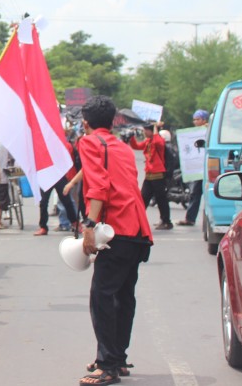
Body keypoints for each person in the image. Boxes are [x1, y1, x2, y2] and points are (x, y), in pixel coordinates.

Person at [78, 95, 153, 386]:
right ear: (112, 121)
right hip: (138, 230)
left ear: (85, 122)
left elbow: (99, 186)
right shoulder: (121, 147)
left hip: (117, 228)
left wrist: (89, 224)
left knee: (102, 296)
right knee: (124, 295)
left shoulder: (89, 142)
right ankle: (117, 358)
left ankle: (107, 365)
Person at [130, 124, 172, 230]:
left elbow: (158, 142)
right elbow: (136, 146)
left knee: (161, 199)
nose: (144, 133)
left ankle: (166, 221)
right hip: (149, 175)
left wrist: (155, 129)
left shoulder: (158, 141)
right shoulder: (147, 141)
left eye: (146, 131)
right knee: (143, 198)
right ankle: (137, 220)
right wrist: (131, 137)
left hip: (158, 175)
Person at [178, 110, 209, 226]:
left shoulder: (210, 131)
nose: (195, 122)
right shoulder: (193, 134)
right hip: (197, 170)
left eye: (198, 119)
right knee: (195, 194)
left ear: (204, 120)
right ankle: (190, 218)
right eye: (194, 119)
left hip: (208, 168)